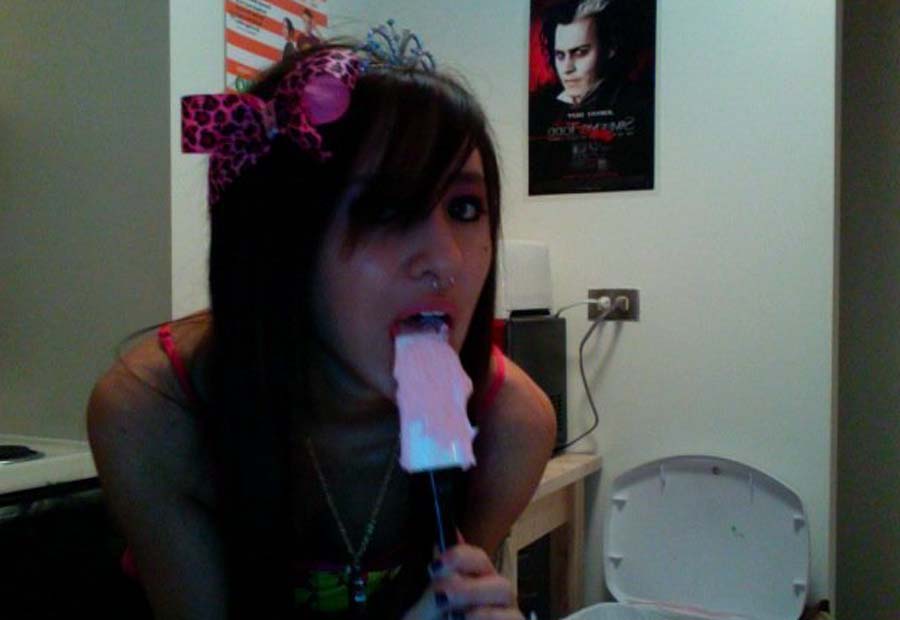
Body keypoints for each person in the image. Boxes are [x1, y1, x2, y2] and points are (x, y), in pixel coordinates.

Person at [87, 33, 556, 620]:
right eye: (385, 208)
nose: (447, 260)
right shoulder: (152, 415)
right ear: (280, 240)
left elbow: (455, 589)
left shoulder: (512, 428)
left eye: (465, 208)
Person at [529, 0, 655, 193]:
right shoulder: (540, 108)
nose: (567, 68)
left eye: (580, 53)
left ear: (610, 48)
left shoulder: (640, 106)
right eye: (560, 55)